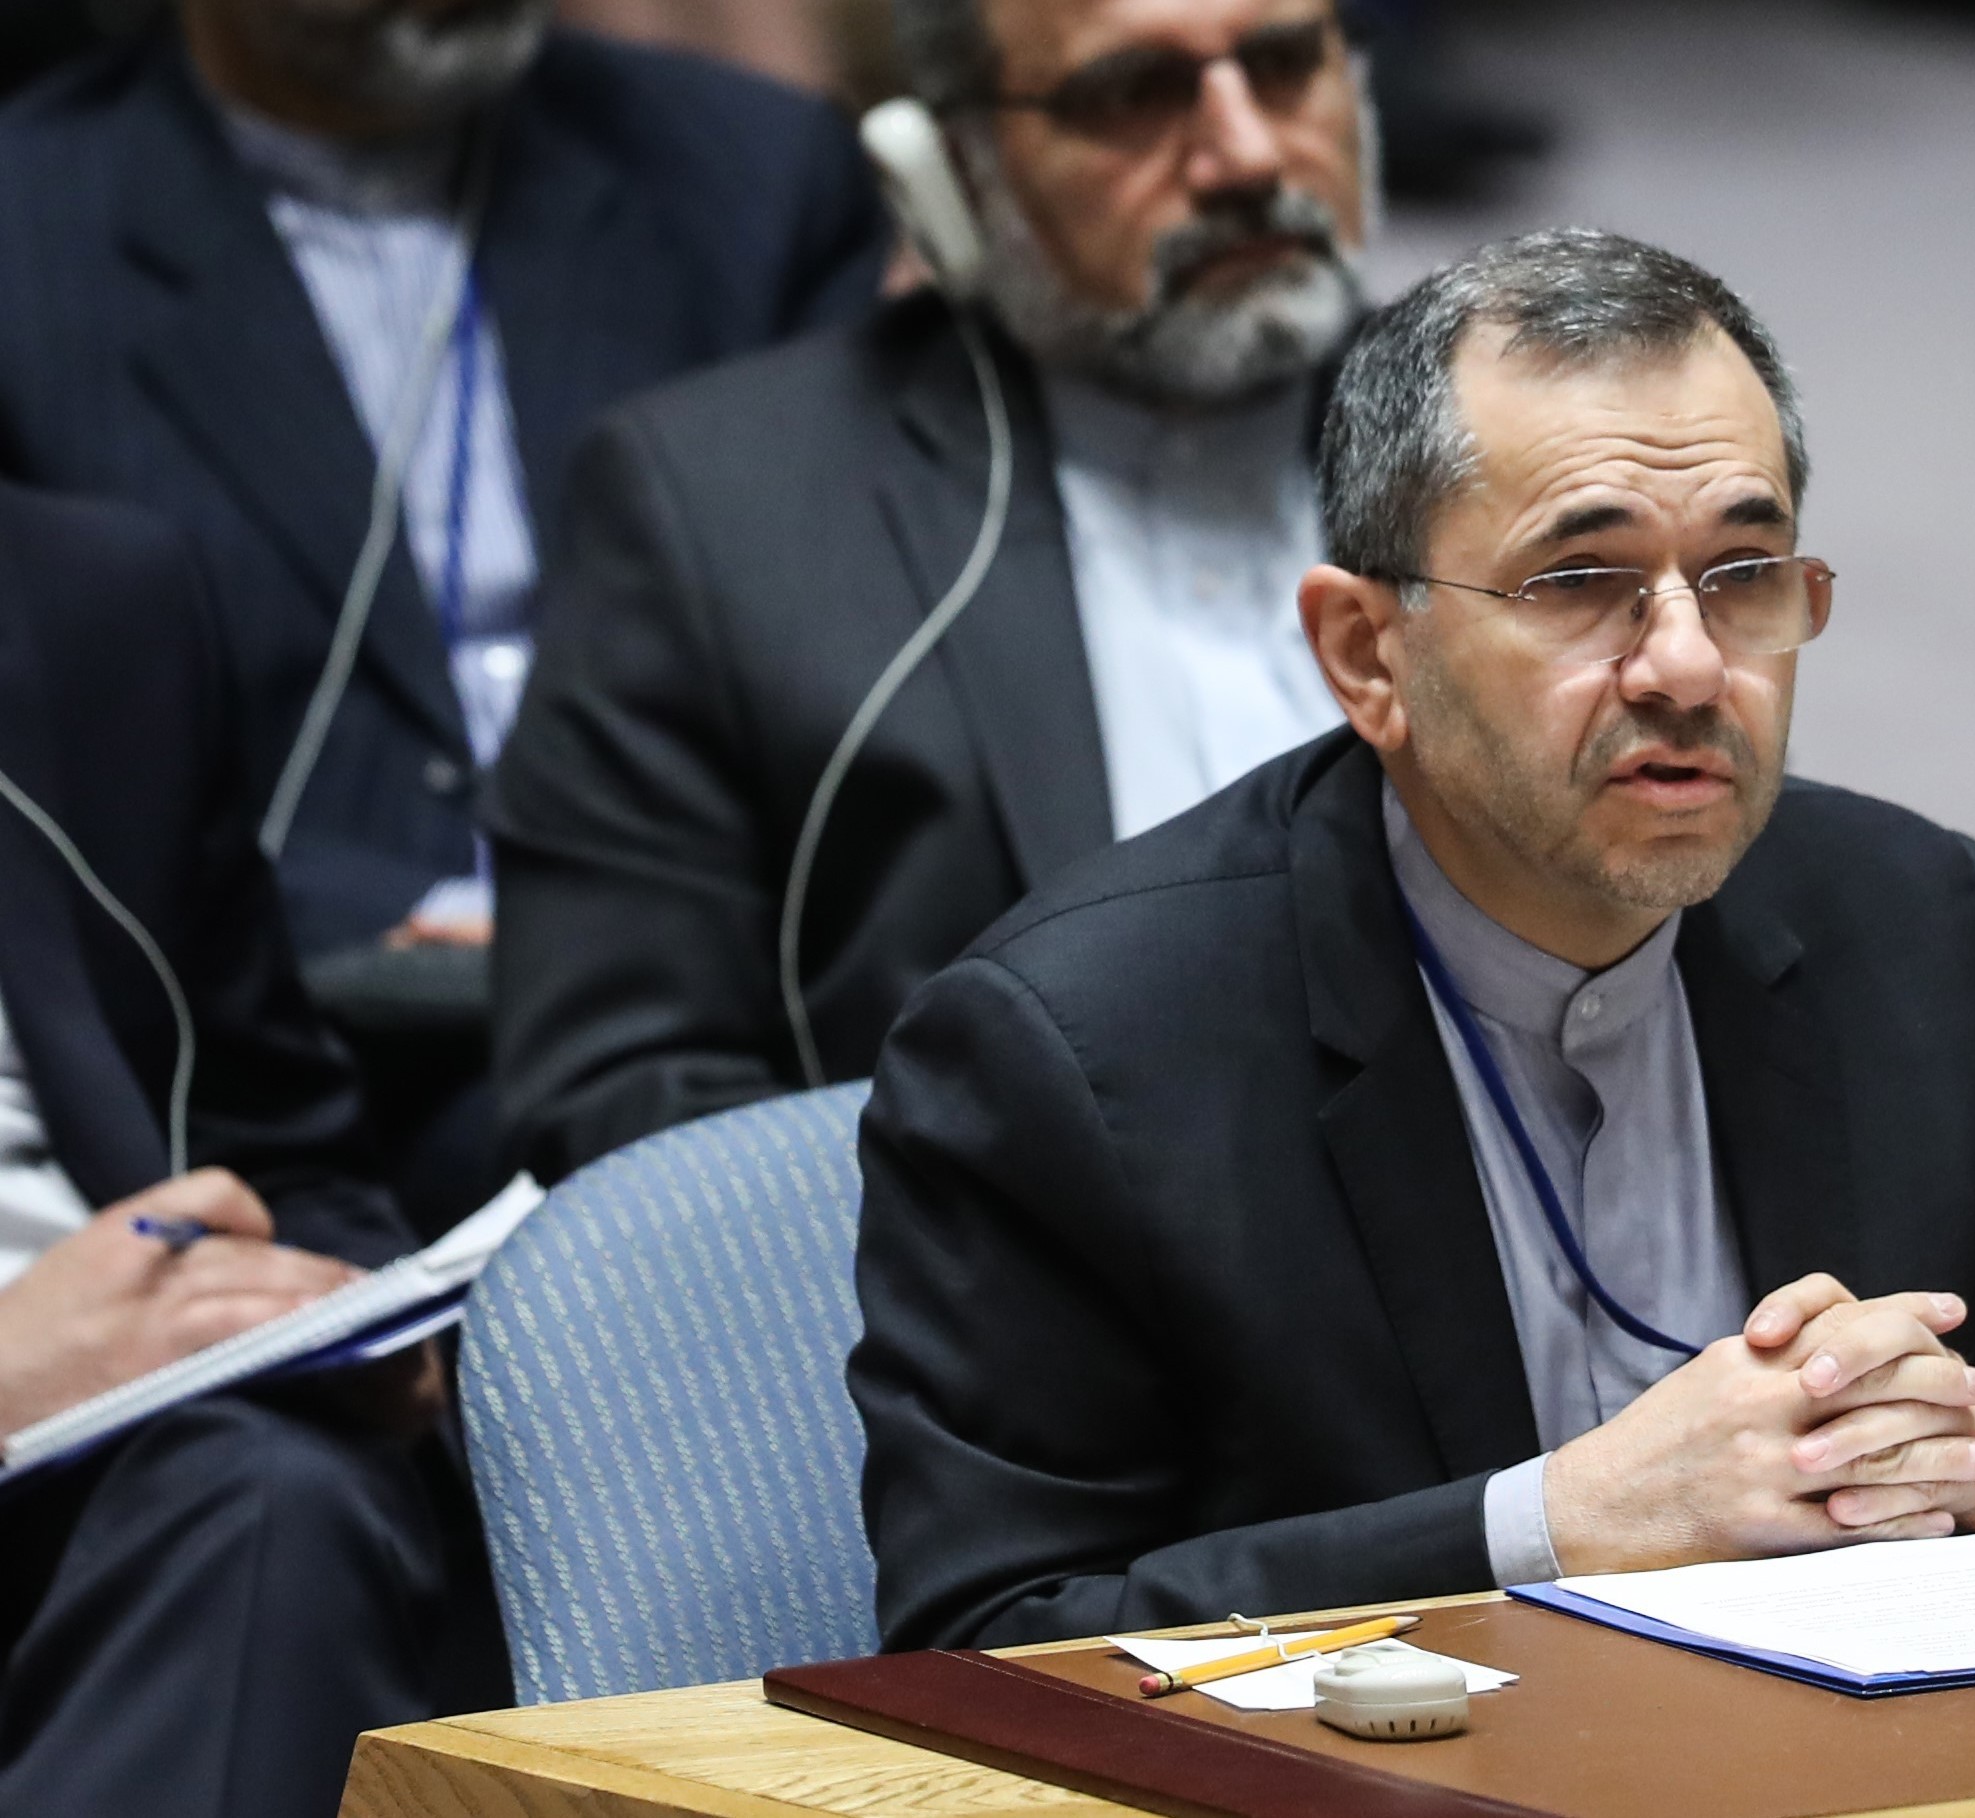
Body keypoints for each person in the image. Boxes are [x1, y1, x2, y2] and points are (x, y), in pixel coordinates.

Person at [850, 229, 1975, 1645]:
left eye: (1745, 571)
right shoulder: (1086, 1047)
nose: (1685, 665)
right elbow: (987, 1643)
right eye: (1581, 582)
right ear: (1366, 652)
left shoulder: (1918, 933)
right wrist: (1549, 1527)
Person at [0, 0, 888, 1223]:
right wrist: (373, 912)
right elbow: (52, 768)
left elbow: (848, 655)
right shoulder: (27, 230)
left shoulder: (752, 169)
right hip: (291, 1036)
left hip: (701, 972)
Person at [487, 0, 1374, 1183]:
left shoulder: (1542, 443)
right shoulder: (715, 509)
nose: (1246, 155)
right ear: (950, 173)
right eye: (1128, 95)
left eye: (1279, 65)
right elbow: (624, 1092)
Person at [0, 480, 498, 1818]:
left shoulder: (89, 595)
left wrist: (346, 1313)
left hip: (156, 1449)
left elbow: (275, 1131)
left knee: (280, 1497)